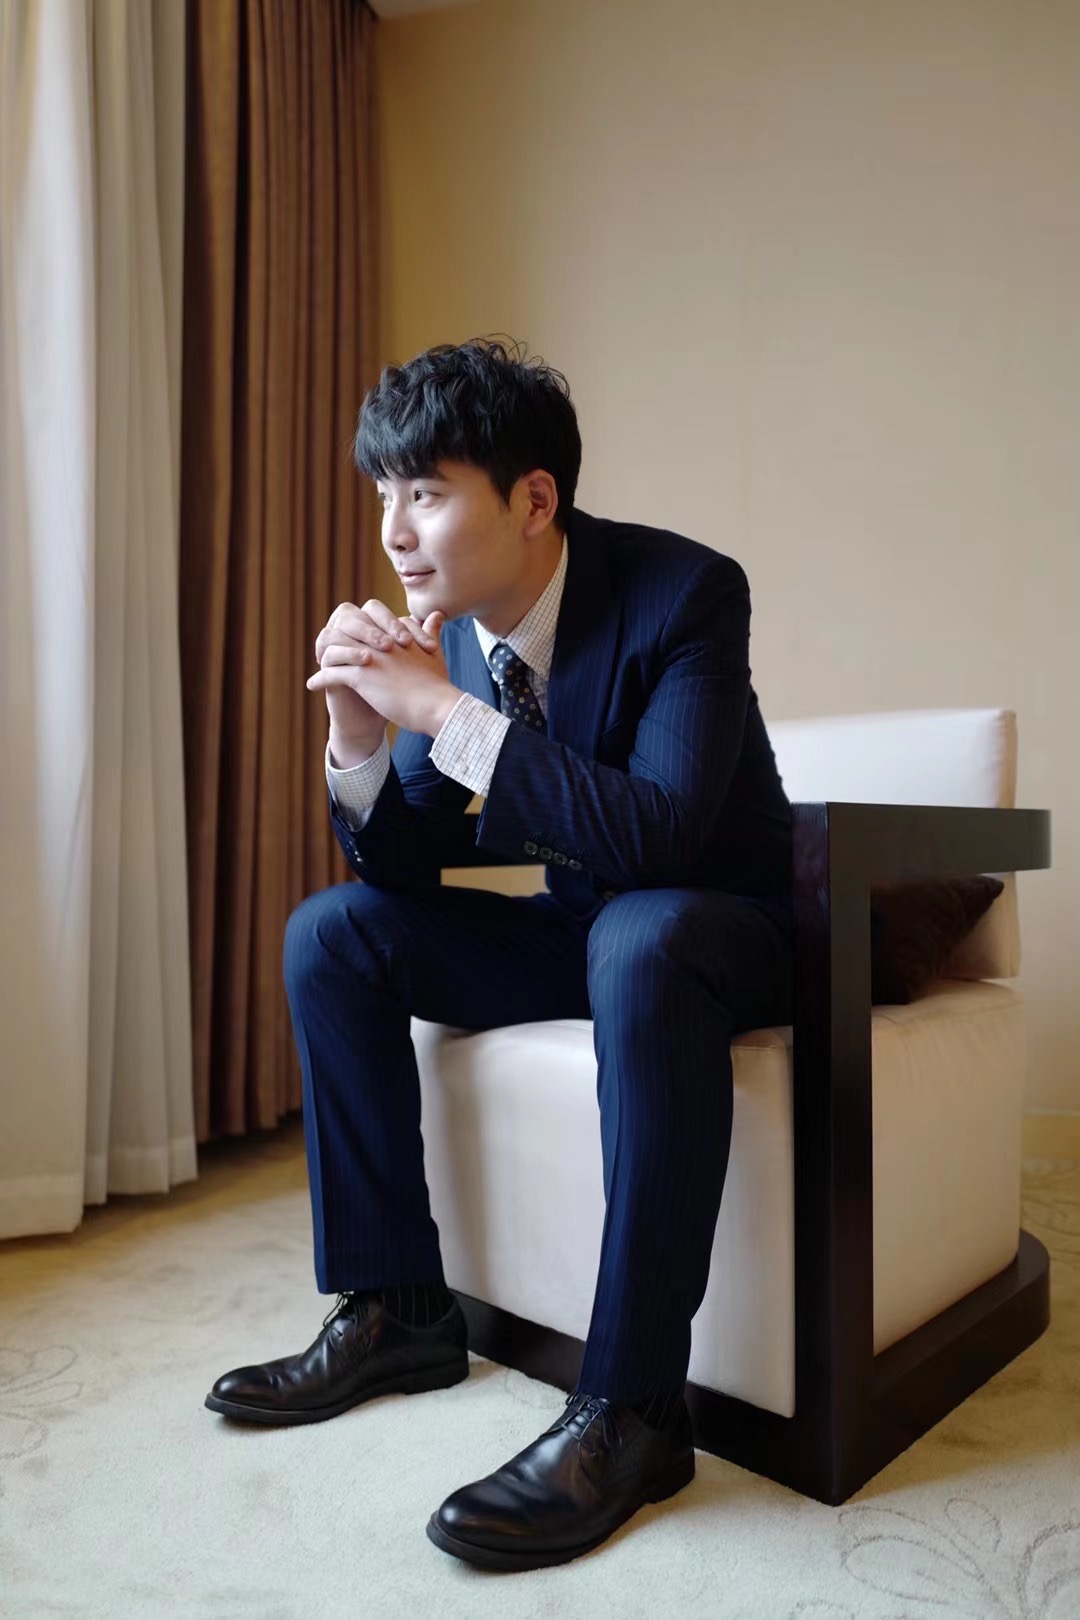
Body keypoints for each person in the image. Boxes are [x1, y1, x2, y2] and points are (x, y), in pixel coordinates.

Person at [205, 337, 794, 1571]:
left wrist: (442, 711)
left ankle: (634, 1408)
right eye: (385, 496)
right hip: (592, 931)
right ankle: (398, 1309)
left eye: (425, 493)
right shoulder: (464, 634)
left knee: (639, 933)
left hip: (724, 929)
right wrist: (361, 731)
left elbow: (663, 835)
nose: (394, 533)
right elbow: (403, 866)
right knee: (334, 934)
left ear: (534, 499)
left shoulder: (686, 592)